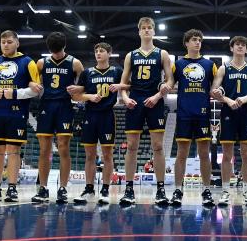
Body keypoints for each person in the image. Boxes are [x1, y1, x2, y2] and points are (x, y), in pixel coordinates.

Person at [0, 31, 41, 202]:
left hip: (17, 112)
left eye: (9, 41)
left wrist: (15, 93)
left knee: (13, 150)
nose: (6, 44)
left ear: (17, 43)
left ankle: (12, 189)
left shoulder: (28, 62)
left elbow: (36, 89)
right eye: (3, 41)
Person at [119, 17, 173, 206]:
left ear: (154, 31)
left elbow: (170, 80)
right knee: (131, 146)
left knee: (157, 146)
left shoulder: (162, 54)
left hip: (154, 101)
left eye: (150, 28)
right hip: (135, 101)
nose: (147, 30)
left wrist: (159, 95)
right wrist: (125, 98)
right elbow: (124, 82)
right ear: (139, 31)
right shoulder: (130, 55)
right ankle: (128, 189)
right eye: (144, 28)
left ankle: (160, 189)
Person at [32, 32, 84, 204]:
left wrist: (78, 88)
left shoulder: (75, 63)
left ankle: (63, 187)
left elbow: (84, 85)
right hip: (46, 105)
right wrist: (35, 84)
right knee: (44, 150)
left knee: (63, 147)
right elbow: (32, 81)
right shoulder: (41, 63)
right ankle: (43, 188)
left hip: (64, 106)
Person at [70, 42, 125, 205]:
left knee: (107, 155)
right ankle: (89, 188)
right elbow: (76, 96)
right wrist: (90, 97)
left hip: (107, 115)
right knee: (89, 155)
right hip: (90, 115)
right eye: (96, 51)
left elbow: (128, 86)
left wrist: (122, 91)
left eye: (102, 51)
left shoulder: (117, 71)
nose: (98, 53)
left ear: (109, 54)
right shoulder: (87, 73)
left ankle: (106, 189)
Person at [211, 35, 247, 206]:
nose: (240, 47)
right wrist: (226, 99)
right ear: (232, 48)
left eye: (243, 45)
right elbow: (214, 90)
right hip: (228, 112)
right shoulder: (224, 68)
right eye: (237, 44)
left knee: (246, 154)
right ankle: (225, 191)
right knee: (227, 154)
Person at [168, 30, 216, 207]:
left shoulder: (210, 65)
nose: (197, 43)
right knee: (182, 154)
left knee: (204, 154)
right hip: (184, 113)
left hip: (203, 113)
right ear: (186, 43)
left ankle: (206, 190)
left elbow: (216, 85)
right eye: (194, 40)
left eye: (199, 40)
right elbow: (170, 83)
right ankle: (178, 190)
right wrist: (165, 87)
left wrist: (219, 91)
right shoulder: (178, 64)